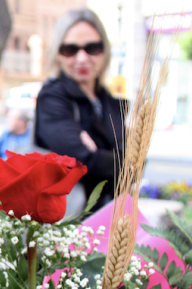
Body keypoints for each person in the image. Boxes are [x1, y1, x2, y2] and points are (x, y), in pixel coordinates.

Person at [34, 8, 126, 208]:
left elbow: (137, 166)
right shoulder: (52, 97)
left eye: (92, 48)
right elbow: (82, 161)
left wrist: (98, 156)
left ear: (105, 50)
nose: (82, 58)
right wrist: (117, 160)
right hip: (67, 222)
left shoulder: (108, 100)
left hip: (109, 216)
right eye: (70, 49)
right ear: (58, 54)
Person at [0, 108, 32, 190]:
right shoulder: (6, 134)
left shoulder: (31, 137)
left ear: (21, 122)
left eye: (11, 118)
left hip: (23, 181)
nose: (8, 121)